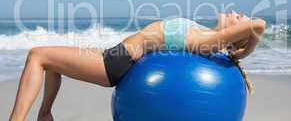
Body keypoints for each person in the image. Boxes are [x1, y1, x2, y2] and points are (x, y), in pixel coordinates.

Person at [9, 11, 265, 121]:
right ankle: (45, 115)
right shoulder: (203, 34)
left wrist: (246, 44)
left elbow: (258, 25)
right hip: (117, 55)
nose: (235, 14)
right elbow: (253, 27)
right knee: (52, 62)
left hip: (116, 62)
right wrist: (244, 44)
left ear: (233, 34)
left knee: (37, 55)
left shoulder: (205, 41)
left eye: (239, 18)